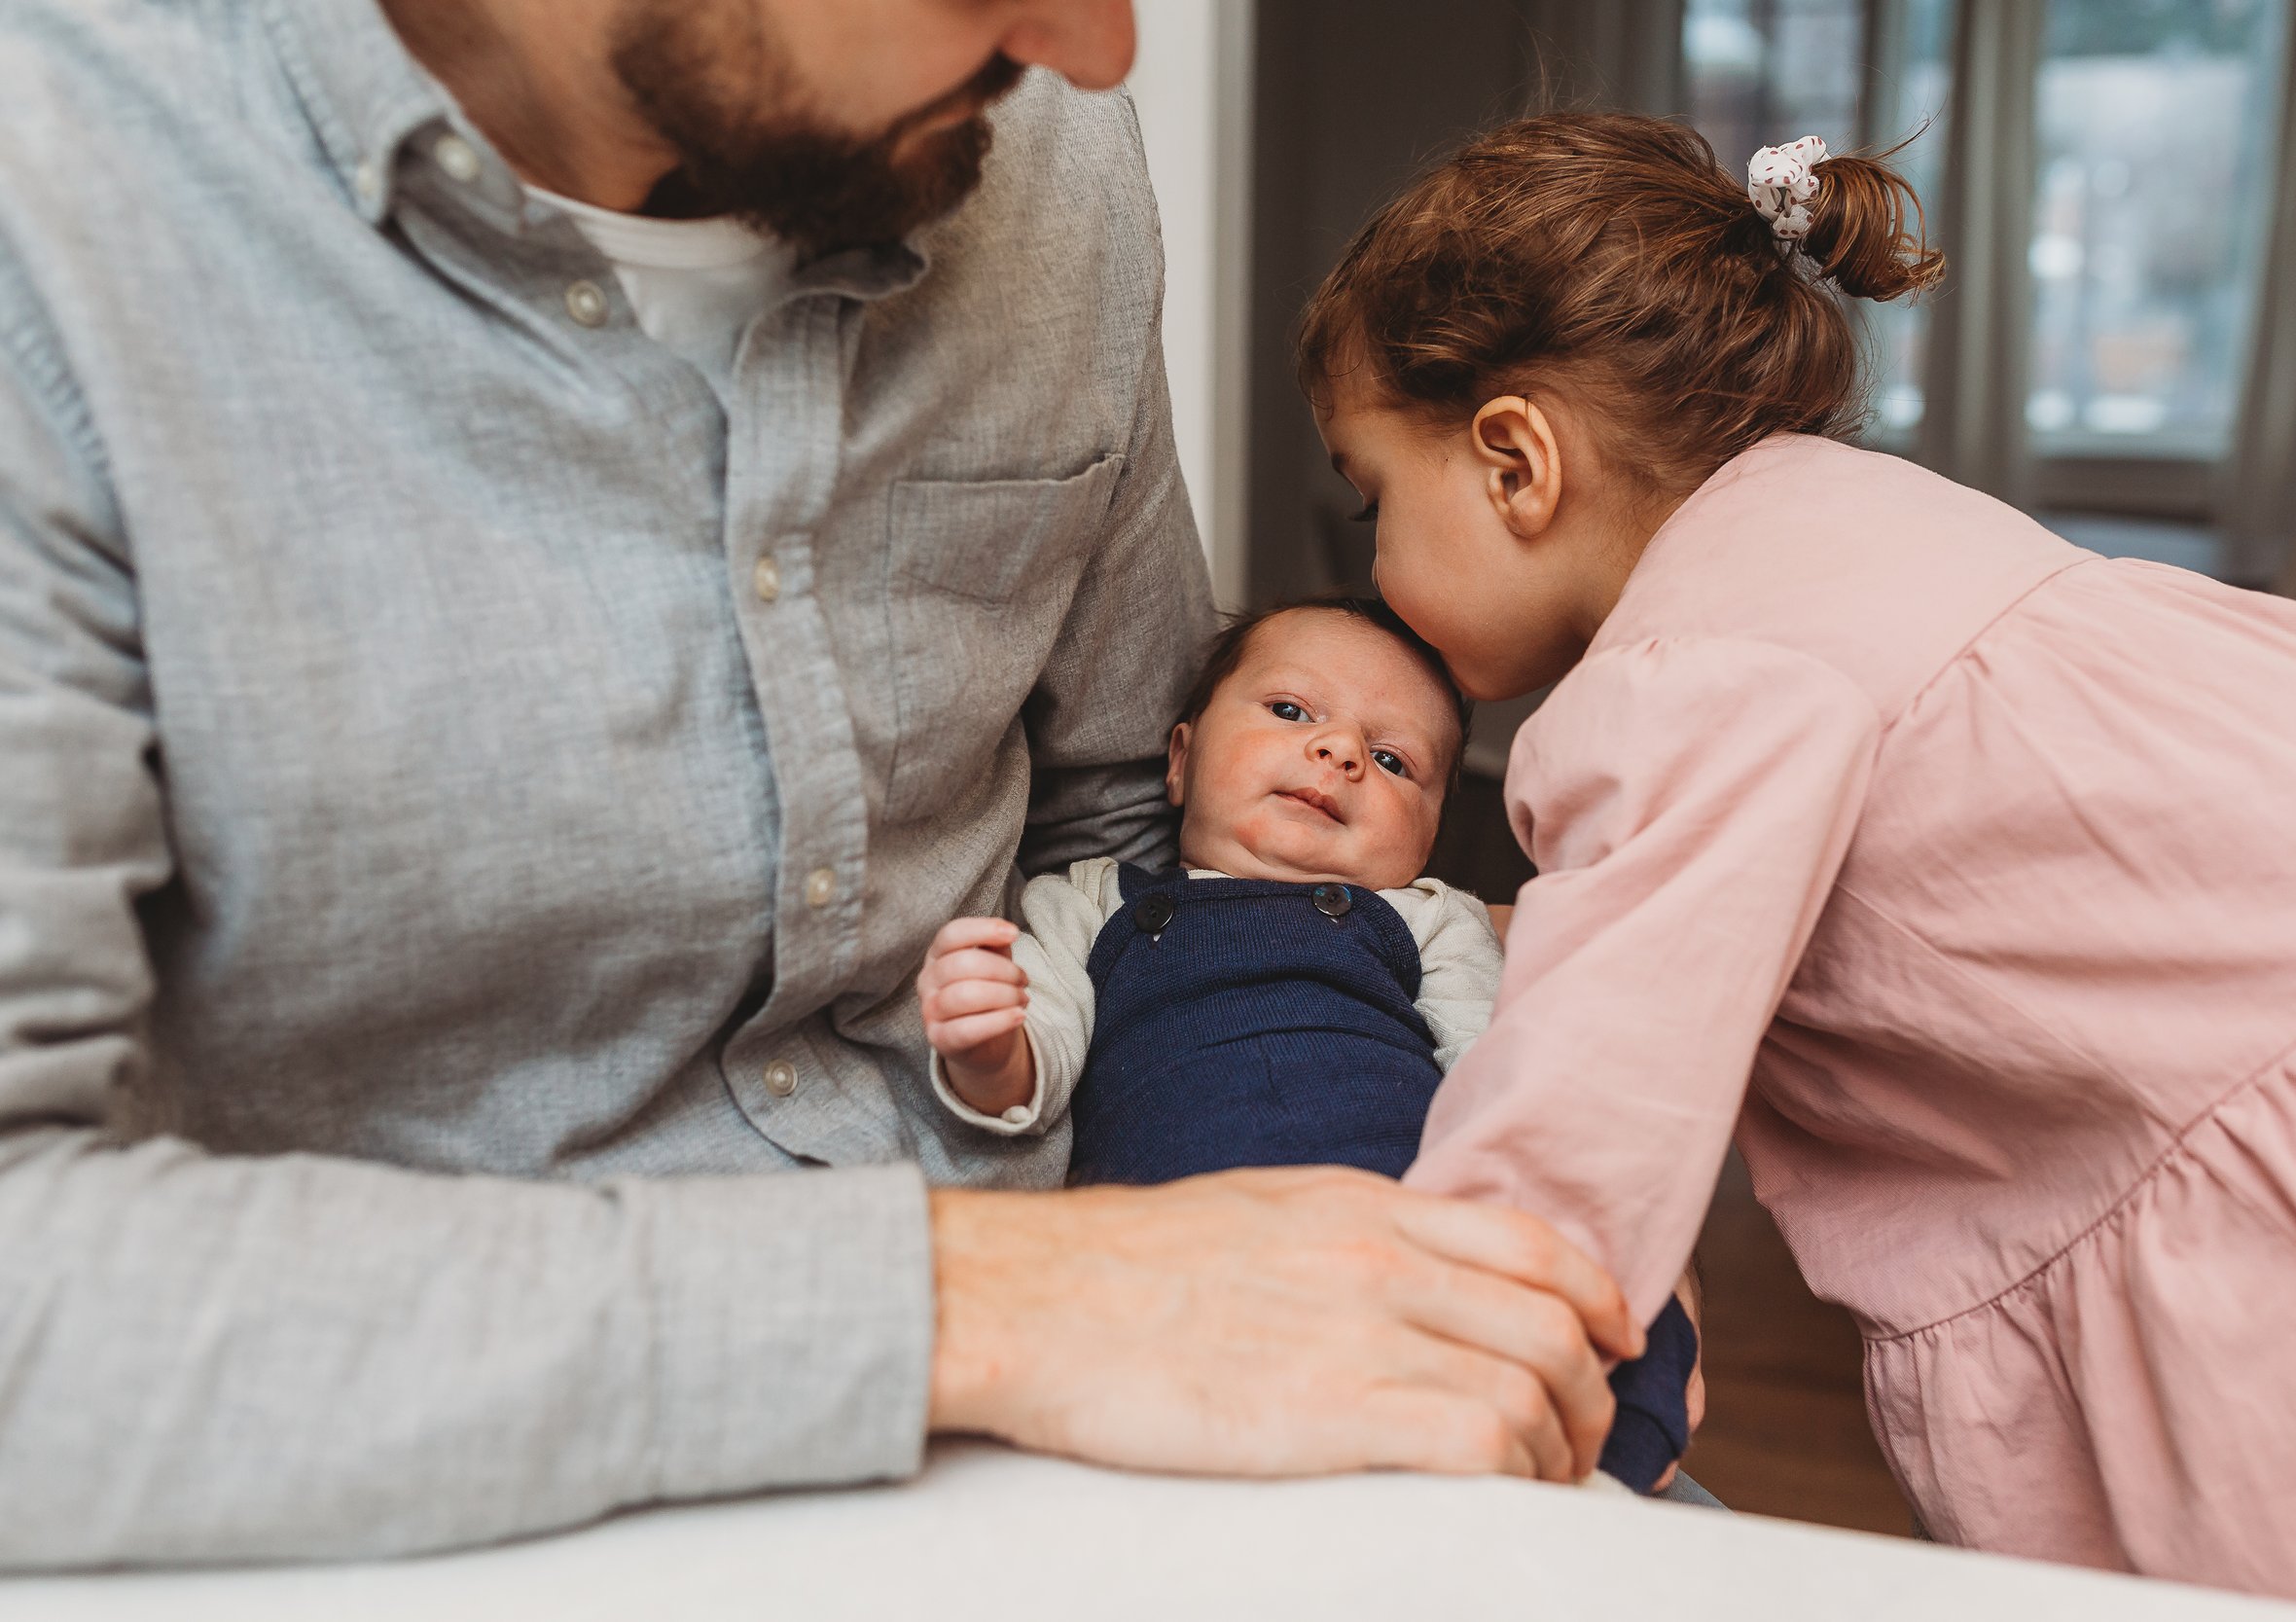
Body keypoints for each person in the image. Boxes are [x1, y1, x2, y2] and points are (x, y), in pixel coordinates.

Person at [0, 0, 1635, 1567]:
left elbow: (1132, 824)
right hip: (414, 1482)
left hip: (1130, 1400)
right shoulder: (65, 203)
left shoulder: (1053, 170)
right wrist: (985, 1301)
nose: (1098, 48)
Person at [1300, 111, 2296, 1616]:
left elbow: (1581, 1137)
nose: (1371, 560)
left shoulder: (1684, 673)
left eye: (1375, 498)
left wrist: (1396, 1385)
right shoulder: (1845, 523)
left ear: (1514, 457)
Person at [916, 597, 1704, 1494]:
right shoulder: (1090, 900)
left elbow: (1499, 1073)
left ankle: (1592, 1483)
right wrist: (989, 1047)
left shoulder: (1427, 918)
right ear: (1181, 761)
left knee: (1596, 1314)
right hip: (1179, 1245)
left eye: (1394, 759)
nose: (1339, 754)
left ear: (1426, 842)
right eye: (1292, 711)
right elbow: (1042, 1051)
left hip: (1404, 1220)